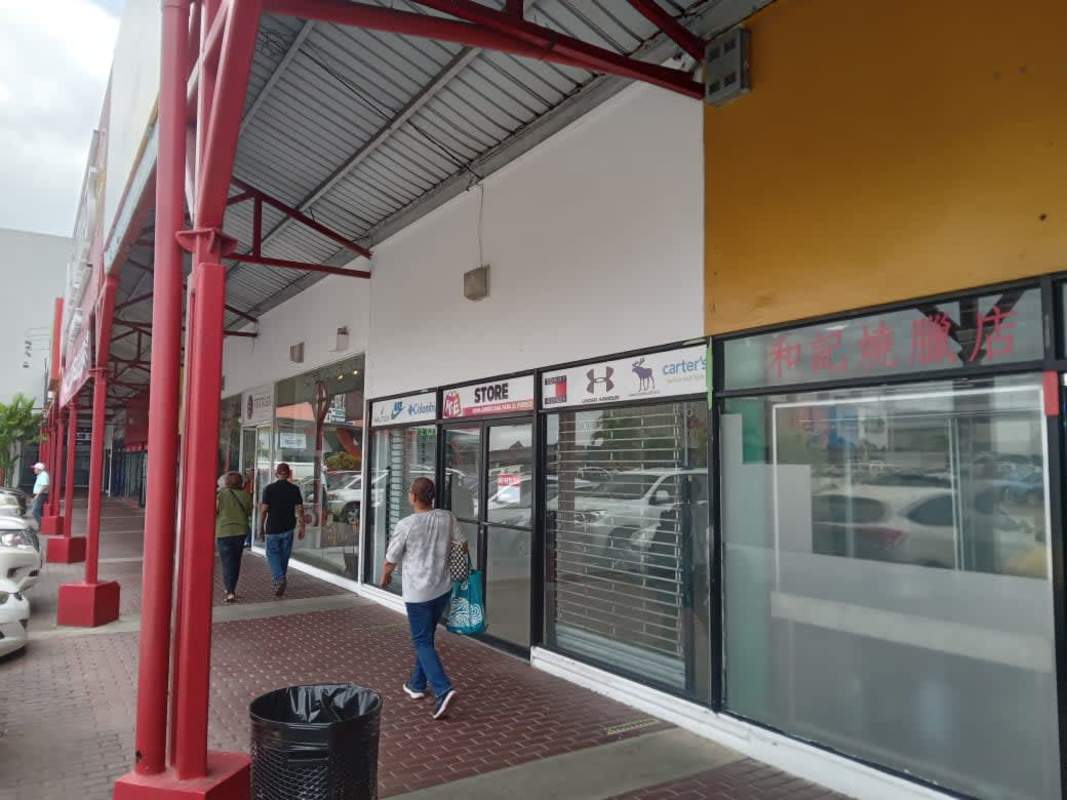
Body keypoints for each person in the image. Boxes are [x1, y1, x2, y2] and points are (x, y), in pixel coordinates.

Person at [380, 477, 461, 720]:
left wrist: (384, 578)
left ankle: (443, 689)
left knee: (422, 641)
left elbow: (391, 558)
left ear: (414, 497)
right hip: (442, 588)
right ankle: (416, 684)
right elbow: (461, 546)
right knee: (426, 637)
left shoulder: (407, 524)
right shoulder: (447, 518)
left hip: (418, 593)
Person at [259, 462, 305, 596]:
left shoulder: (269, 489)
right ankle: (280, 579)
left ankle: (279, 579)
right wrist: (302, 527)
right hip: (289, 527)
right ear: (289, 474)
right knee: (284, 555)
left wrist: (260, 527)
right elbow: (300, 510)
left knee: (272, 554)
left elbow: (264, 510)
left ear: (276, 474)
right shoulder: (294, 489)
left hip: (272, 527)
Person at [216, 471, 252, 603]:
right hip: (240, 532)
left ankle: (229, 591)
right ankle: (232, 588)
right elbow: (248, 512)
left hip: (224, 532)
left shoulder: (220, 495)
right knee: (236, 561)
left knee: (227, 562)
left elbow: (215, 511)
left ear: (226, 483)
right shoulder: (246, 496)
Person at [30, 462, 49, 527]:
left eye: (35, 469)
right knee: (39, 511)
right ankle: (42, 525)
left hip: (41, 495)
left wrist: (37, 495)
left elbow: (45, 485)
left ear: (39, 469)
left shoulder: (43, 475)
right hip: (40, 495)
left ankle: (43, 525)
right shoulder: (41, 475)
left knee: (34, 511)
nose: (34, 470)